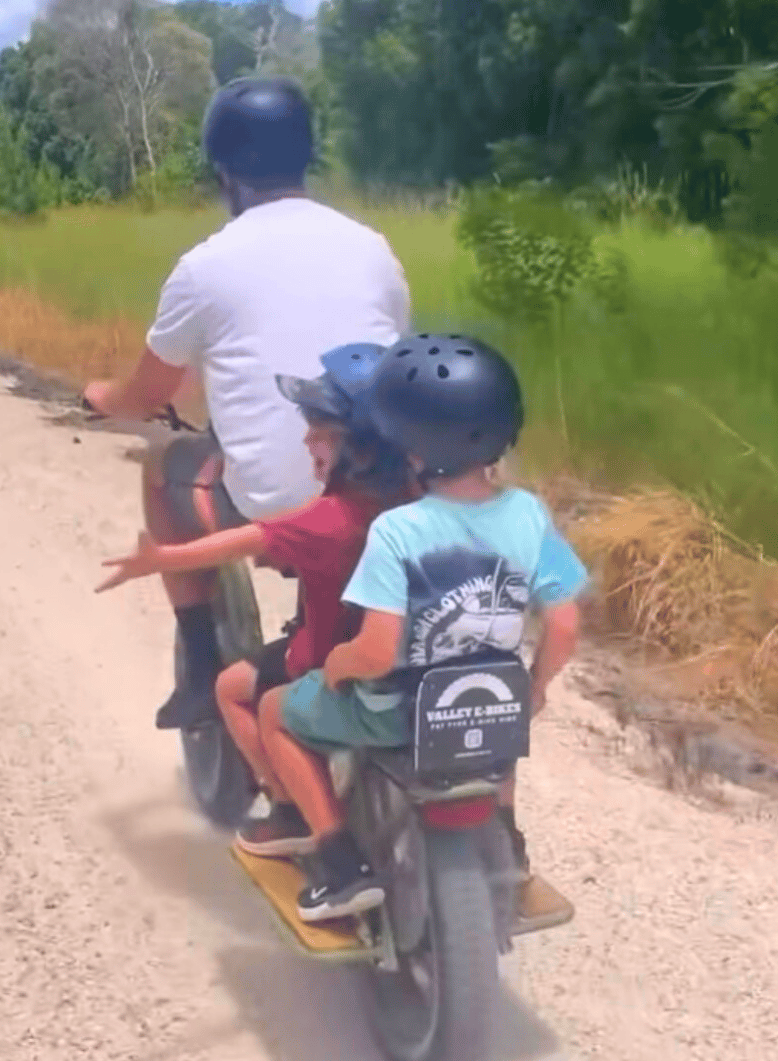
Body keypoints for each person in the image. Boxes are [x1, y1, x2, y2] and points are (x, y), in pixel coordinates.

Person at [83, 76, 412, 731]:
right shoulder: (373, 249)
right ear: (305, 157)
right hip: (387, 489)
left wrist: (100, 397)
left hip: (278, 505)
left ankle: (203, 666)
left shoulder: (205, 266)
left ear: (225, 170)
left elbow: (147, 395)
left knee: (161, 465)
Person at [251, 334, 589, 923]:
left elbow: (378, 652)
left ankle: (337, 862)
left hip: (395, 710)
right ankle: (508, 851)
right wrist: (535, 687)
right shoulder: (529, 514)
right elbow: (563, 624)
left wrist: (336, 666)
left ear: (404, 444)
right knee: (494, 736)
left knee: (278, 712)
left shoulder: (400, 530)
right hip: (489, 701)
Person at [96, 343, 412, 848]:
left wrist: (158, 561)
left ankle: (294, 813)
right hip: (413, 657)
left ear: (354, 447)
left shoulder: (327, 520)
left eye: (319, 430)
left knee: (234, 691)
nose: (307, 438)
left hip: (329, 656)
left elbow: (246, 540)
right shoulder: (416, 500)